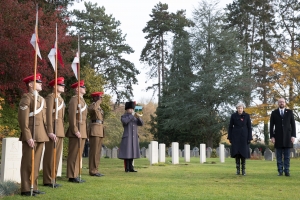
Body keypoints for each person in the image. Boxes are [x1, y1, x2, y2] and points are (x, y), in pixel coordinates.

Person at [18, 73, 48, 196]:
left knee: (36, 163)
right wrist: (28, 136)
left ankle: (33, 187)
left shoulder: (41, 99)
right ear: (31, 84)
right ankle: (25, 188)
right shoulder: (27, 98)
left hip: (41, 133)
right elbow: (22, 120)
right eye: (38, 82)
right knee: (28, 162)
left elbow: (44, 120)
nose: (41, 83)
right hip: (31, 133)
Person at [43, 77, 65, 188]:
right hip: (53, 130)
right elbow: (47, 116)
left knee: (56, 156)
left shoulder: (60, 99)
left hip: (59, 130)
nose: (63, 87)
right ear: (55, 87)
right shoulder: (51, 98)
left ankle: (53, 178)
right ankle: (48, 179)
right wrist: (50, 131)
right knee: (50, 156)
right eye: (61, 85)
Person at [66, 80, 88, 183]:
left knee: (79, 154)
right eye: (83, 87)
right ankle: (71, 175)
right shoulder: (75, 100)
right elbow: (72, 116)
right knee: (74, 153)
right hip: (76, 130)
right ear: (77, 89)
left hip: (82, 130)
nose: (85, 89)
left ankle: (76, 173)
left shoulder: (82, 100)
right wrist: (75, 130)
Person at [270, 98, 296, 176]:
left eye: (283, 102)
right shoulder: (274, 113)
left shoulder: (290, 112)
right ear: (278, 103)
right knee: (279, 156)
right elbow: (271, 126)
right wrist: (272, 136)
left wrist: (293, 136)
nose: (282, 103)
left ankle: (287, 171)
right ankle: (280, 171)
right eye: (280, 102)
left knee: (287, 156)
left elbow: (293, 125)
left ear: (285, 103)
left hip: (288, 137)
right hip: (278, 137)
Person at [227, 102, 252, 176]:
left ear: (243, 108)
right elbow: (230, 127)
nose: (240, 109)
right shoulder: (233, 116)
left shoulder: (247, 116)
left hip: (244, 136)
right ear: (237, 109)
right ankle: (237, 169)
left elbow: (249, 127)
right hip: (235, 136)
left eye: (241, 108)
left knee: (243, 153)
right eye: (238, 108)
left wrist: (249, 137)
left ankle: (243, 170)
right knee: (237, 153)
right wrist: (230, 137)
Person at [118, 101, 143, 172]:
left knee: (132, 152)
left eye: (132, 109)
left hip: (134, 137)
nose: (132, 110)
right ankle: (127, 168)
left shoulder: (135, 117)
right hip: (127, 136)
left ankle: (131, 167)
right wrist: (132, 115)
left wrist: (138, 116)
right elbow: (125, 122)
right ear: (127, 109)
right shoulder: (124, 116)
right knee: (127, 153)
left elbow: (141, 123)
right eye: (130, 109)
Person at [88, 91, 105, 177]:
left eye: (101, 98)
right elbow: (93, 109)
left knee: (98, 151)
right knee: (94, 151)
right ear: (95, 98)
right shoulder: (93, 105)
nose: (101, 99)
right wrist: (98, 101)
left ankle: (96, 169)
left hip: (100, 129)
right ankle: (92, 170)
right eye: (99, 97)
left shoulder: (99, 108)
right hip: (94, 129)